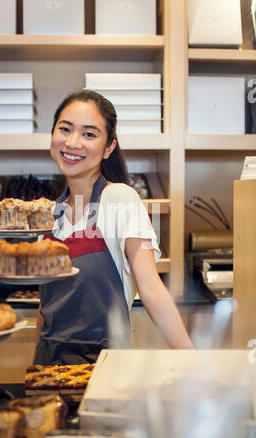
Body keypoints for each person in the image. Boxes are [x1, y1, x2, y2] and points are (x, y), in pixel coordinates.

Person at [34, 89, 194, 366]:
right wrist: (34, 368)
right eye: (65, 129)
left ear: (109, 148)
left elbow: (151, 287)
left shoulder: (121, 199)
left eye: (89, 134)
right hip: (47, 371)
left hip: (105, 370)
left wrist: (192, 360)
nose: (73, 142)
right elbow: (44, 307)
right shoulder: (49, 215)